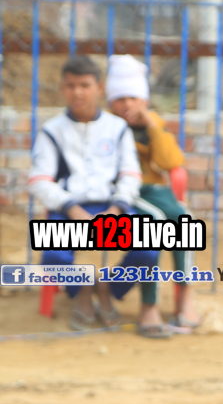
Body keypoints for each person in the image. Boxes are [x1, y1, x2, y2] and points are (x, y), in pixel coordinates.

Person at [28, 56, 165, 337]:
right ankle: (82, 290)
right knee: (52, 255)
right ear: (62, 88)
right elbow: (39, 180)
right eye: (70, 85)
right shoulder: (52, 130)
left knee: (149, 247)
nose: (77, 92)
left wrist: (116, 209)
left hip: (112, 206)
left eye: (85, 85)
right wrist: (72, 209)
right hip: (69, 208)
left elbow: (130, 174)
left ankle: (107, 288)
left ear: (99, 88)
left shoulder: (117, 128)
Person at [106, 54, 201, 331]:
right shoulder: (107, 126)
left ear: (144, 100)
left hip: (153, 189)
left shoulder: (154, 124)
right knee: (155, 225)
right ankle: (150, 304)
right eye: (120, 99)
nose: (127, 104)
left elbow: (171, 163)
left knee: (183, 220)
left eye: (133, 98)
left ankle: (185, 296)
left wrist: (152, 126)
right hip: (124, 190)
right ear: (110, 102)